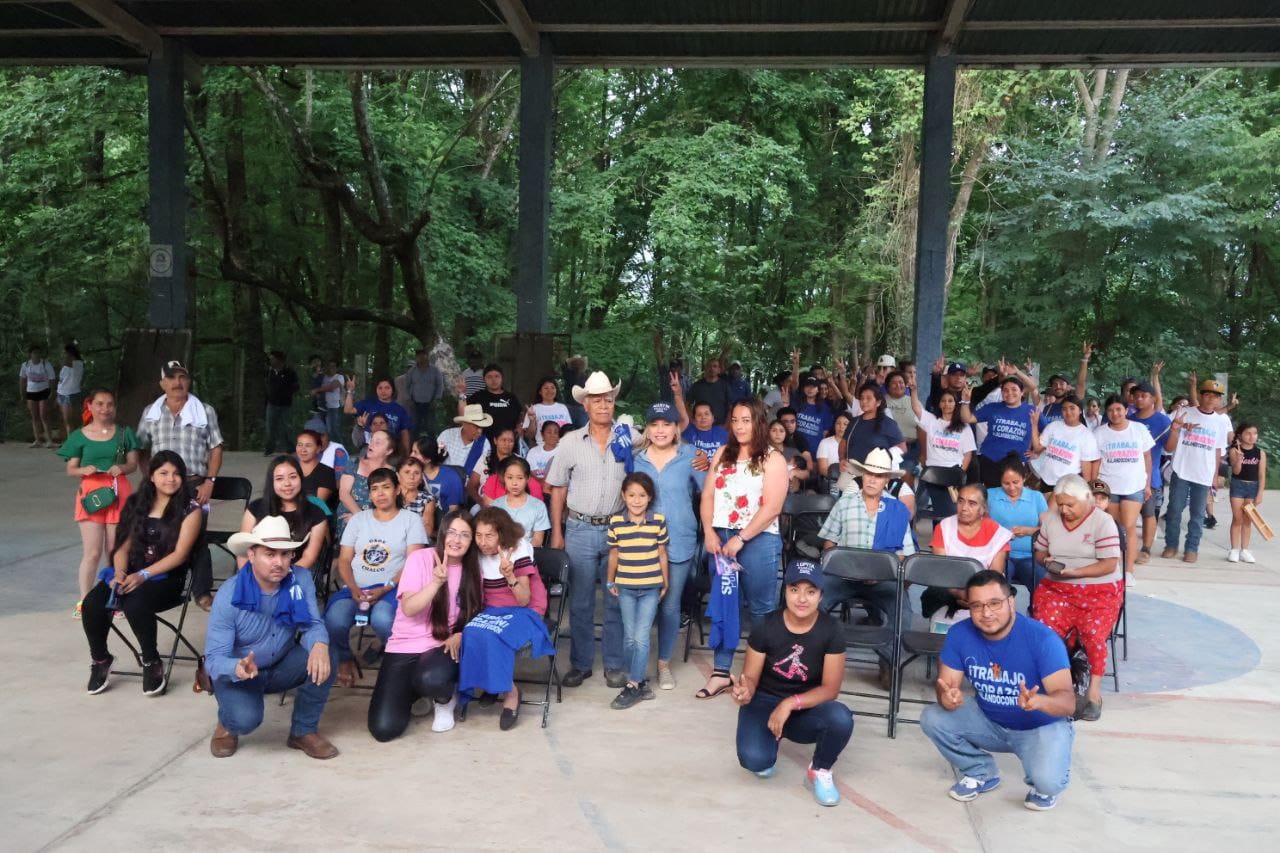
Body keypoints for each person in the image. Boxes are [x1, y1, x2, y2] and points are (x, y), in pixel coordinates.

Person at [921, 570, 1076, 811]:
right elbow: (946, 687)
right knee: (933, 717)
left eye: (995, 603)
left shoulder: (1042, 639)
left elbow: (1068, 703)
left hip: (1038, 725)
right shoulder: (959, 634)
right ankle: (981, 770)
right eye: (977, 606)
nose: (986, 613)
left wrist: (1039, 702)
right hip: (989, 720)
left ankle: (1047, 772)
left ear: (1011, 602)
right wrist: (947, 698)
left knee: (1048, 783)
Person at [205, 516, 338, 760]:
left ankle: (303, 731)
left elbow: (312, 624)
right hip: (242, 672)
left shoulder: (300, 579)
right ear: (252, 555)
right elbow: (213, 659)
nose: (279, 562)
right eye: (270, 554)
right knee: (246, 720)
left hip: (282, 663)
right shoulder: (230, 595)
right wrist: (236, 667)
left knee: (327, 653)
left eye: (285, 554)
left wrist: (319, 644)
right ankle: (227, 723)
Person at [731, 559, 854, 807]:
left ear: (821, 596)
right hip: (765, 701)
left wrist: (789, 703)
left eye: (811, 591)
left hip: (806, 705)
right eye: (794, 589)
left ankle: (819, 770)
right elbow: (751, 677)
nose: (802, 598)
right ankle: (770, 738)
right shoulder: (766, 626)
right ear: (784, 591)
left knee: (840, 718)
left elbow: (831, 689)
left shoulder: (831, 629)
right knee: (756, 761)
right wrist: (746, 690)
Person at [80, 451, 202, 696]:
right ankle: (101, 660)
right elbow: (123, 546)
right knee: (93, 603)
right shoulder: (137, 503)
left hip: (168, 578)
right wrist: (120, 572)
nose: (171, 479)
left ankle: (151, 661)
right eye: (164, 473)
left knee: (135, 603)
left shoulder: (191, 509)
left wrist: (143, 575)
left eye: (177, 474)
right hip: (132, 571)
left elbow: (179, 555)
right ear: (152, 477)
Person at [546, 371, 637, 689]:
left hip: (616, 528)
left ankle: (613, 663)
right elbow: (556, 488)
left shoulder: (627, 437)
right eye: (597, 400)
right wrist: (557, 532)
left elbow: (660, 439)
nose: (603, 405)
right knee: (581, 601)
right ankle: (582, 663)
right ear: (585, 405)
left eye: (608, 400)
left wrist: (694, 455)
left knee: (615, 598)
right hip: (580, 529)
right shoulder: (570, 442)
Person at [696, 398, 786, 700]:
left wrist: (742, 538)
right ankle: (721, 672)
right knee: (725, 604)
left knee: (761, 609)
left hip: (757, 540)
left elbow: (772, 507)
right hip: (721, 539)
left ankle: (759, 675)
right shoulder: (723, 453)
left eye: (746, 420)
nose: (739, 426)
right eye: (735, 420)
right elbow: (707, 495)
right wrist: (709, 531)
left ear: (758, 422)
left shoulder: (772, 458)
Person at [367, 511, 484, 741]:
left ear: (471, 542)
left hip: (443, 645)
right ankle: (417, 692)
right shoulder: (420, 558)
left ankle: (444, 699)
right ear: (442, 534)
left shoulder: (473, 570)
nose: (456, 540)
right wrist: (436, 583)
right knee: (383, 729)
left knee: (431, 678)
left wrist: (461, 634)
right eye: (451, 533)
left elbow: (476, 613)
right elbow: (410, 608)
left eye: (464, 535)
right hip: (404, 644)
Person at [817, 447, 915, 688]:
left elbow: (905, 556)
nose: (872, 479)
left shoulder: (897, 510)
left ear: (886, 480)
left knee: (903, 611)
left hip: (881, 580)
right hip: (843, 576)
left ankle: (888, 662)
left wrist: (883, 572)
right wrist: (839, 565)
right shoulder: (845, 504)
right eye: (869, 474)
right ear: (862, 475)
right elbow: (829, 544)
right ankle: (814, 659)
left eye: (879, 476)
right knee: (813, 600)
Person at [135, 360, 224, 609]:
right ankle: (158, 585)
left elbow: (216, 448)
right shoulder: (150, 413)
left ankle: (202, 593)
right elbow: (141, 448)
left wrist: (210, 481)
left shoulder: (204, 411)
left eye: (182, 377)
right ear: (162, 383)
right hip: (160, 487)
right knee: (155, 534)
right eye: (171, 378)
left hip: (194, 482)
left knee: (195, 538)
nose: (177, 382)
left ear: (189, 380)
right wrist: (149, 478)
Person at [1033, 475, 1123, 721]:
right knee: (1043, 630)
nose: (1064, 510)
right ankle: (1057, 686)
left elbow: (1109, 564)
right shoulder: (1051, 519)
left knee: (1094, 635)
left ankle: (1094, 694)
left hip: (1098, 590)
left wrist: (1077, 572)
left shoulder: (1102, 521)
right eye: (1060, 504)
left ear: (1086, 499)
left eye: (1070, 505)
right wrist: (1046, 561)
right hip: (1057, 587)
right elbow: (1039, 551)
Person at [328, 466, 428, 686]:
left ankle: (396, 663)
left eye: (386, 487)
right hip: (356, 588)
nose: (380, 493)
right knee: (335, 619)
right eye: (374, 489)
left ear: (398, 490)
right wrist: (353, 587)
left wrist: (386, 587)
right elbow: (344, 560)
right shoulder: (359, 519)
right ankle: (345, 659)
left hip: (394, 588)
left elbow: (414, 563)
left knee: (383, 619)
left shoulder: (410, 520)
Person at [634, 401, 707, 691]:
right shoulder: (635, 459)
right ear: (647, 429)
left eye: (667, 424)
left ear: (677, 428)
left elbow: (709, 494)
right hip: (641, 542)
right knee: (642, 603)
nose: (661, 430)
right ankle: (636, 667)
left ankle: (663, 664)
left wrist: (711, 533)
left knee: (670, 605)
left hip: (680, 538)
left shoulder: (692, 455)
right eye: (655, 424)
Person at [460, 507, 551, 729]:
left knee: (491, 634)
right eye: (478, 535)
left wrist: (509, 574)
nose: (482, 542)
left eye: (489, 535)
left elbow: (523, 599)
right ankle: (495, 683)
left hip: (525, 610)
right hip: (491, 609)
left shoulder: (518, 548)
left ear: (502, 534)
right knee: (470, 632)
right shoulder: (475, 552)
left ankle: (511, 693)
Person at [59, 388, 141, 615]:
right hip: (92, 495)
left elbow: (133, 464)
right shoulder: (78, 435)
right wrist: (84, 469)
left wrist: (122, 467)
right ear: (91, 406)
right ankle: (85, 601)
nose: (105, 408)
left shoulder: (124, 434)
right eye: (100, 404)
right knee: (92, 553)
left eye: (110, 404)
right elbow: (70, 469)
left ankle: (114, 598)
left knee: (116, 551)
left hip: (118, 492)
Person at [605, 472, 670, 709]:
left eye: (642, 495)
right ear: (623, 496)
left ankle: (632, 684)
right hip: (626, 588)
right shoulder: (616, 523)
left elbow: (662, 553)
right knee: (630, 638)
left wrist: (665, 581)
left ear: (650, 497)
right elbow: (614, 554)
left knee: (641, 638)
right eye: (631, 495)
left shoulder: (658, 520)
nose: (636, 500)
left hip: (651, 587)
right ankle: (640, 681)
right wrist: (610, 581)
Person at [1162, 379, 1233, 563]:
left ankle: (1192, 548)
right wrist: (1177, 429)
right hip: (1181, 470)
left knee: (1198, 514)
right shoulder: (1185, 413)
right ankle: (1170, 545)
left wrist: (1215, 475)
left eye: (1215, 396)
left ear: (1219, 400)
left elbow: (1218, 451)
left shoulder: (1220, 421)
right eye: (1207, 394)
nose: (1210, 399)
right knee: (1174, 510)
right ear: (1201, 395)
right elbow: (1169, 446)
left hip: (1203, 474)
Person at [926, 484, 1013, 621]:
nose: (964, 508)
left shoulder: (998, 534)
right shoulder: (944, 527)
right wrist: (959, 593)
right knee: (933, 594)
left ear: (983, 508)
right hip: (949, 588)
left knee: (1001, 596)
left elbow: (994, 575)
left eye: (972, 503)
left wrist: (974, 595)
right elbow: (941, 569)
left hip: (985, 591)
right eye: (961, 501)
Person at [1093, 395, 1153, 578]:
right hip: (1109, 487)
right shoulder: (1099, 433)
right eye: (1110, 410)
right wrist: (1095, 486)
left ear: (1126, 410)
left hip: (1134, 485)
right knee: (1113, 528)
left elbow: (1147, 458)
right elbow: (1096, 461)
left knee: (1129, 526)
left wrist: (1147, 484)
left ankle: (1129, 571)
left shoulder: (1139, 429)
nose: (1115, 413)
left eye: (1119, 409)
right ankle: (1115, 567)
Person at [240, 456, 328, 571]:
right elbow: (243, 550)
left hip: (297, 574)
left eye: (292, 477)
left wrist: (280, 579)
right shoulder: (256, 508)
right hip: (258, 575)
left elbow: (309, 557)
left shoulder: (317, 514)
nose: (287, 483)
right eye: (279, 478)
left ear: (301, 478)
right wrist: (249, 579)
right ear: (272, 482)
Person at [962, 374, 1040, 488]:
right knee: (990, 497)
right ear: (1001, 393)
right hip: (990, 460)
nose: (1009, 393)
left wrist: (1037, 451)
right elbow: (967, 418)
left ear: (1022, 392)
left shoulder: (1031, 411)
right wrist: (965, 402)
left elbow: (1050, 432)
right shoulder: (992, 407)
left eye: (1014, 389)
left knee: (1012, 497)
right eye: (1005, 390)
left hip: (1016, 464)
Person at [910, 382, 974, 519]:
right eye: (943, 401)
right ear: (939, 404)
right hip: (932, 473)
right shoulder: (932, 421)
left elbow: (968, 454)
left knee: (950, 511)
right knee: (923, 507)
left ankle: (942, 535)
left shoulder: (964, 427)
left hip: (952, 474)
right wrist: (914, 390)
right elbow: (916, 408)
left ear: (956, 404)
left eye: (950, 401)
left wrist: (961, 474)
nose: (947, 404)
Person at [987, 458, 1049, 594]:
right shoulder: (990, 495)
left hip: (1030, 556)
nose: (1011, 487)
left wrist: (1029, 531)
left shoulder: (1036, 497)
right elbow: (980, 526)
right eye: (1006, 483)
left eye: (1016, 482)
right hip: (999, 555)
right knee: (995, 585)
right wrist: (1003, 534)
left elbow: (1048, 530)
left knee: (1042, 583)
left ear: (1024, 478)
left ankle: (1034, 612)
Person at [1127, 380, 1172, 564]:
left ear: (1153, 399)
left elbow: (1169, 447)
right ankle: (1125, 546)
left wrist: (1175, 431)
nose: (1139, 399)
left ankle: (1146, 548)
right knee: (1127, 514)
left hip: (1150, 476)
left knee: (1148, 513)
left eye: (1144, 396)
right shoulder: (1129, 419)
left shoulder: (1163, 421)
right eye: (1136, 395)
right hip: (1128, 476)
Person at [1030, 394, 1100, 494]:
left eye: (1072, 408)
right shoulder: (1054, 426)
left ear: (1080, 410)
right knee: (1045, 509)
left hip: (1067, 486)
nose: (1068, 412)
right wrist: (1034, 424)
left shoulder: (1087, 435)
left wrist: (1087, 491)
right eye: (1064, 409)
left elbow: (1086, 470)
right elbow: (1037, 448)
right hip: (1046, 479)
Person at [337, 428, 396, 534]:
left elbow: (391, 502)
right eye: (371, 440)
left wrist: (370, 522)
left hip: (379, 520)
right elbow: (343, 494)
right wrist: (360, 518)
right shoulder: (354, 463)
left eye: (377, 442)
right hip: (350, 515)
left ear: (389, 451)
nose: (371, 444)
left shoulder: (392, 473)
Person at [469, 426, 545, 508]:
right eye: (503, 440)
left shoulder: (519, 461)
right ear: (495, 440)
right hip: (484, 501)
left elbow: (529, 482)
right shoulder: (485, 459)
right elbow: (471, 486)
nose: (507, 444)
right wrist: (481, 502)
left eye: (511, 441)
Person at [344, 375, 413, 458]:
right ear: (376, 390)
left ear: (393, 390)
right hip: (369, 448)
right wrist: (350, 391)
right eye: (380, 388)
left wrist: (406, 456)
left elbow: (404, 434)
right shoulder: (368, 404)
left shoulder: (399, 410)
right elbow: (348, 410)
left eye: (387, 388)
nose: (383, 391)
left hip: (391, 450)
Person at [1227, 423, 1266, 563]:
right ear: (1240, 435)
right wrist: (1239, 459)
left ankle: (1245, 550)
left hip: (1253, 488)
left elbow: (1261, 475)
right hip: (1238, 486)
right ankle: (1234, 549)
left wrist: (1260, 493)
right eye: (1248, 433)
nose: (1251, 436)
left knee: (1248, 519)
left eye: (1254, 433)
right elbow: (1236, 471)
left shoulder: (1260, 453)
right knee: (1237, 518)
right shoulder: (1234, 450)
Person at [491, 456, 550, 545]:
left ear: (528, 479)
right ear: (504, 478)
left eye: (520, 478)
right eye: (510, 477)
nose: (514, 483)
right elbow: (492, 536)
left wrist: (523, 556)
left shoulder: (538, 506)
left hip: (527, 555)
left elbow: (537, 540)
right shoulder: (495, 505)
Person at [844, 382, 905, 466]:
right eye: (862, 398)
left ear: (878, 402)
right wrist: (841, 459)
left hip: (876, 473)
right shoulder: (854, 422)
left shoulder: (888, 423)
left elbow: (902, 447)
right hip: (851, 469)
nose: (864, 401)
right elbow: (843, 443)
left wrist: (884, 459)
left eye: (868, 398)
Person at [672, 371, 729, 456]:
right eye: (699, 415)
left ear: (713, 417)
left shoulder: (722, 433)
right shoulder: (688, 430)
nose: (703, 417)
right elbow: (682, 414)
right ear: (694, 418)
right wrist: (677, 394)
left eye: (707, 414)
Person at [462, 364, 522, 434]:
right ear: (484, 379)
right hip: (483, 440)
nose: (493, 380)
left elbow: (520, 415)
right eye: (489, 377)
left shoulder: (511, 397)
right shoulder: (477, 397)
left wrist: (520, 425)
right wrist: (461, 393)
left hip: (507, 441)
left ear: (502, 378)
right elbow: (464, 414)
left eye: (497, 376)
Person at [413, 438, 467, 515]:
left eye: (415, 452)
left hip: (443, 519)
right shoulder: (411, 474)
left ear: (427, 459)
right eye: (412, 451)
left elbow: (454, 509)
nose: (411, 455)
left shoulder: (451, 477)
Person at [18, 343, 56, 447]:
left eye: (38, 353)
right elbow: (22, 380)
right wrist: (22, 394)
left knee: (44, 415)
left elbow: (52, 379)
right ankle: (37, 440)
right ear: (30, 354)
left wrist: (52, 392)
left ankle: (49, 440)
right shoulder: (25, 365)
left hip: (44, 391)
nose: (37, 355)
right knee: (34, 416)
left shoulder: (46, 364)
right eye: (34, 353)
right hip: (31, 392)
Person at [884, 370, 919, 477]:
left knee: (906, 478)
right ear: (888, 386)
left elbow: (922, 427)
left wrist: (923, 455)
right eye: (894, 383)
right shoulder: (880, 401)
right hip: (887, 449)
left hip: (910, 449)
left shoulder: (913, 401)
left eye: (901, 382)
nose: (898, 385)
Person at [263, 350, 299, 455]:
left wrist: (287, 392)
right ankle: (269, 448)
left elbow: (296, 386)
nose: (271, 361)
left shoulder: (290, 372)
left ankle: (290, 448)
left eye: (273, 359)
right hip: (272, 403)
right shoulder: (269, 372)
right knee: (270, 427)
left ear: (279, 360)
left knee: (287, 427)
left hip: (285, 404)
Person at [405, 347, 445, 438]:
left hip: (430, 403)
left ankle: (432, 448)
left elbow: (440, 385)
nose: (421, 358)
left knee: (430, 428)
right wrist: (408, 399)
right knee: (414, 427)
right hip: (415, 403)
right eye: (418, 356)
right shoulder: (412, 371)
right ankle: (413, 448)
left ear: (427, 356)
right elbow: (407, 386)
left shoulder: (435, 370)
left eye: (423, 355)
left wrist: (437, 399)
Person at [437, 404, 492, 469]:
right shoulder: (447, 435)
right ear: (465, 424)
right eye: (476, 427)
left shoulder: (484, 444)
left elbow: (482, 471)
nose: (479, 431)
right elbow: (435, 460)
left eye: (481, 427)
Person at [295, 428, 337, 511]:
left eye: (308, 445)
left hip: (316, 516)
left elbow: (318, 504)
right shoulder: (290, 469)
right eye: (300, 445)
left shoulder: (326, 472)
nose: (303, 450)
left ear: (318, 449)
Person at [523, 376, 571, 447]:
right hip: (543, 448)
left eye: (552, 388)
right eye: (546, 388)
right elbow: (529, 436)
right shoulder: (534, 409)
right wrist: (532, 421)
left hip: (562, 448)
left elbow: (569, 431)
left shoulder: (563, 408)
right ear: (540, 391)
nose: (549, 391)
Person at [397, 456, 436, 540]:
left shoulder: (427, 499)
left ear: (421, 477)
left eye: (416, 473)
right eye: (407, 472)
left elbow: (427, 530)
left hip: (415, 542)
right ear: (397, 475)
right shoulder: (390, 495)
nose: (412, 477)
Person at [688, 357, 734, 427]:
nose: (712, 368)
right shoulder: (697, 385)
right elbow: (687, 403)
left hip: (720, 426)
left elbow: (731, 408)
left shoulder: (725, 386)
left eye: (715, 366)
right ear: (705, 369)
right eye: (709, 366)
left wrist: (726, 425)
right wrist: (692, 419)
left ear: (719, 370)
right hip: (700, 426)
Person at [768, 419, 808, 493]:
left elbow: (807, 473)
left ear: (786, 434)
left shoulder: (793, 452)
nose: (777, 434)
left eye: (781, 431)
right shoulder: (763, 452)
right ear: (768, 433)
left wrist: (795, 473)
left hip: (792, 495)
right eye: (774, 430)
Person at [310, 358, 345, 440]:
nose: (331, 368)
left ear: (337, 368)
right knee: (323, 431)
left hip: (334, 407)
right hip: (322, 407)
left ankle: (340, 449)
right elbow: (314, 379)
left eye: (333, 366)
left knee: (332, 430)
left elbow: (332, 387)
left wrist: (317, 390)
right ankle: (328, 449)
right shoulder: (324, 377)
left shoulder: (339, 377)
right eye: (329, 366)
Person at [57, 342, 85, 442]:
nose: (63, 355)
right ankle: (69, 441)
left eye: (65, 353)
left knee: (71, 421)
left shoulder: (77, 363)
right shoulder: (65, 366)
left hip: (71, 393)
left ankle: (73, 443)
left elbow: (67, 362)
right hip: (62, 393)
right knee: (66, 421)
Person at [815, 412, 852, 480]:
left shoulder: (855, 444)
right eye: (838, 423)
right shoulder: (825, 443)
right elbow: (822, 469)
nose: (841, 426)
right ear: (834, 425)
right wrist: (839, 478)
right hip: (832, 480)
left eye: (845, 424)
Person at [525, 420, 561, 491]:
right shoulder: (533, 452)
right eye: (549, 432)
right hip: (536, 486)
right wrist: (540, 482)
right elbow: (529, 472)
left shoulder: (563, 451)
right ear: (542, 434)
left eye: (556, 432)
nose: (552, 435)